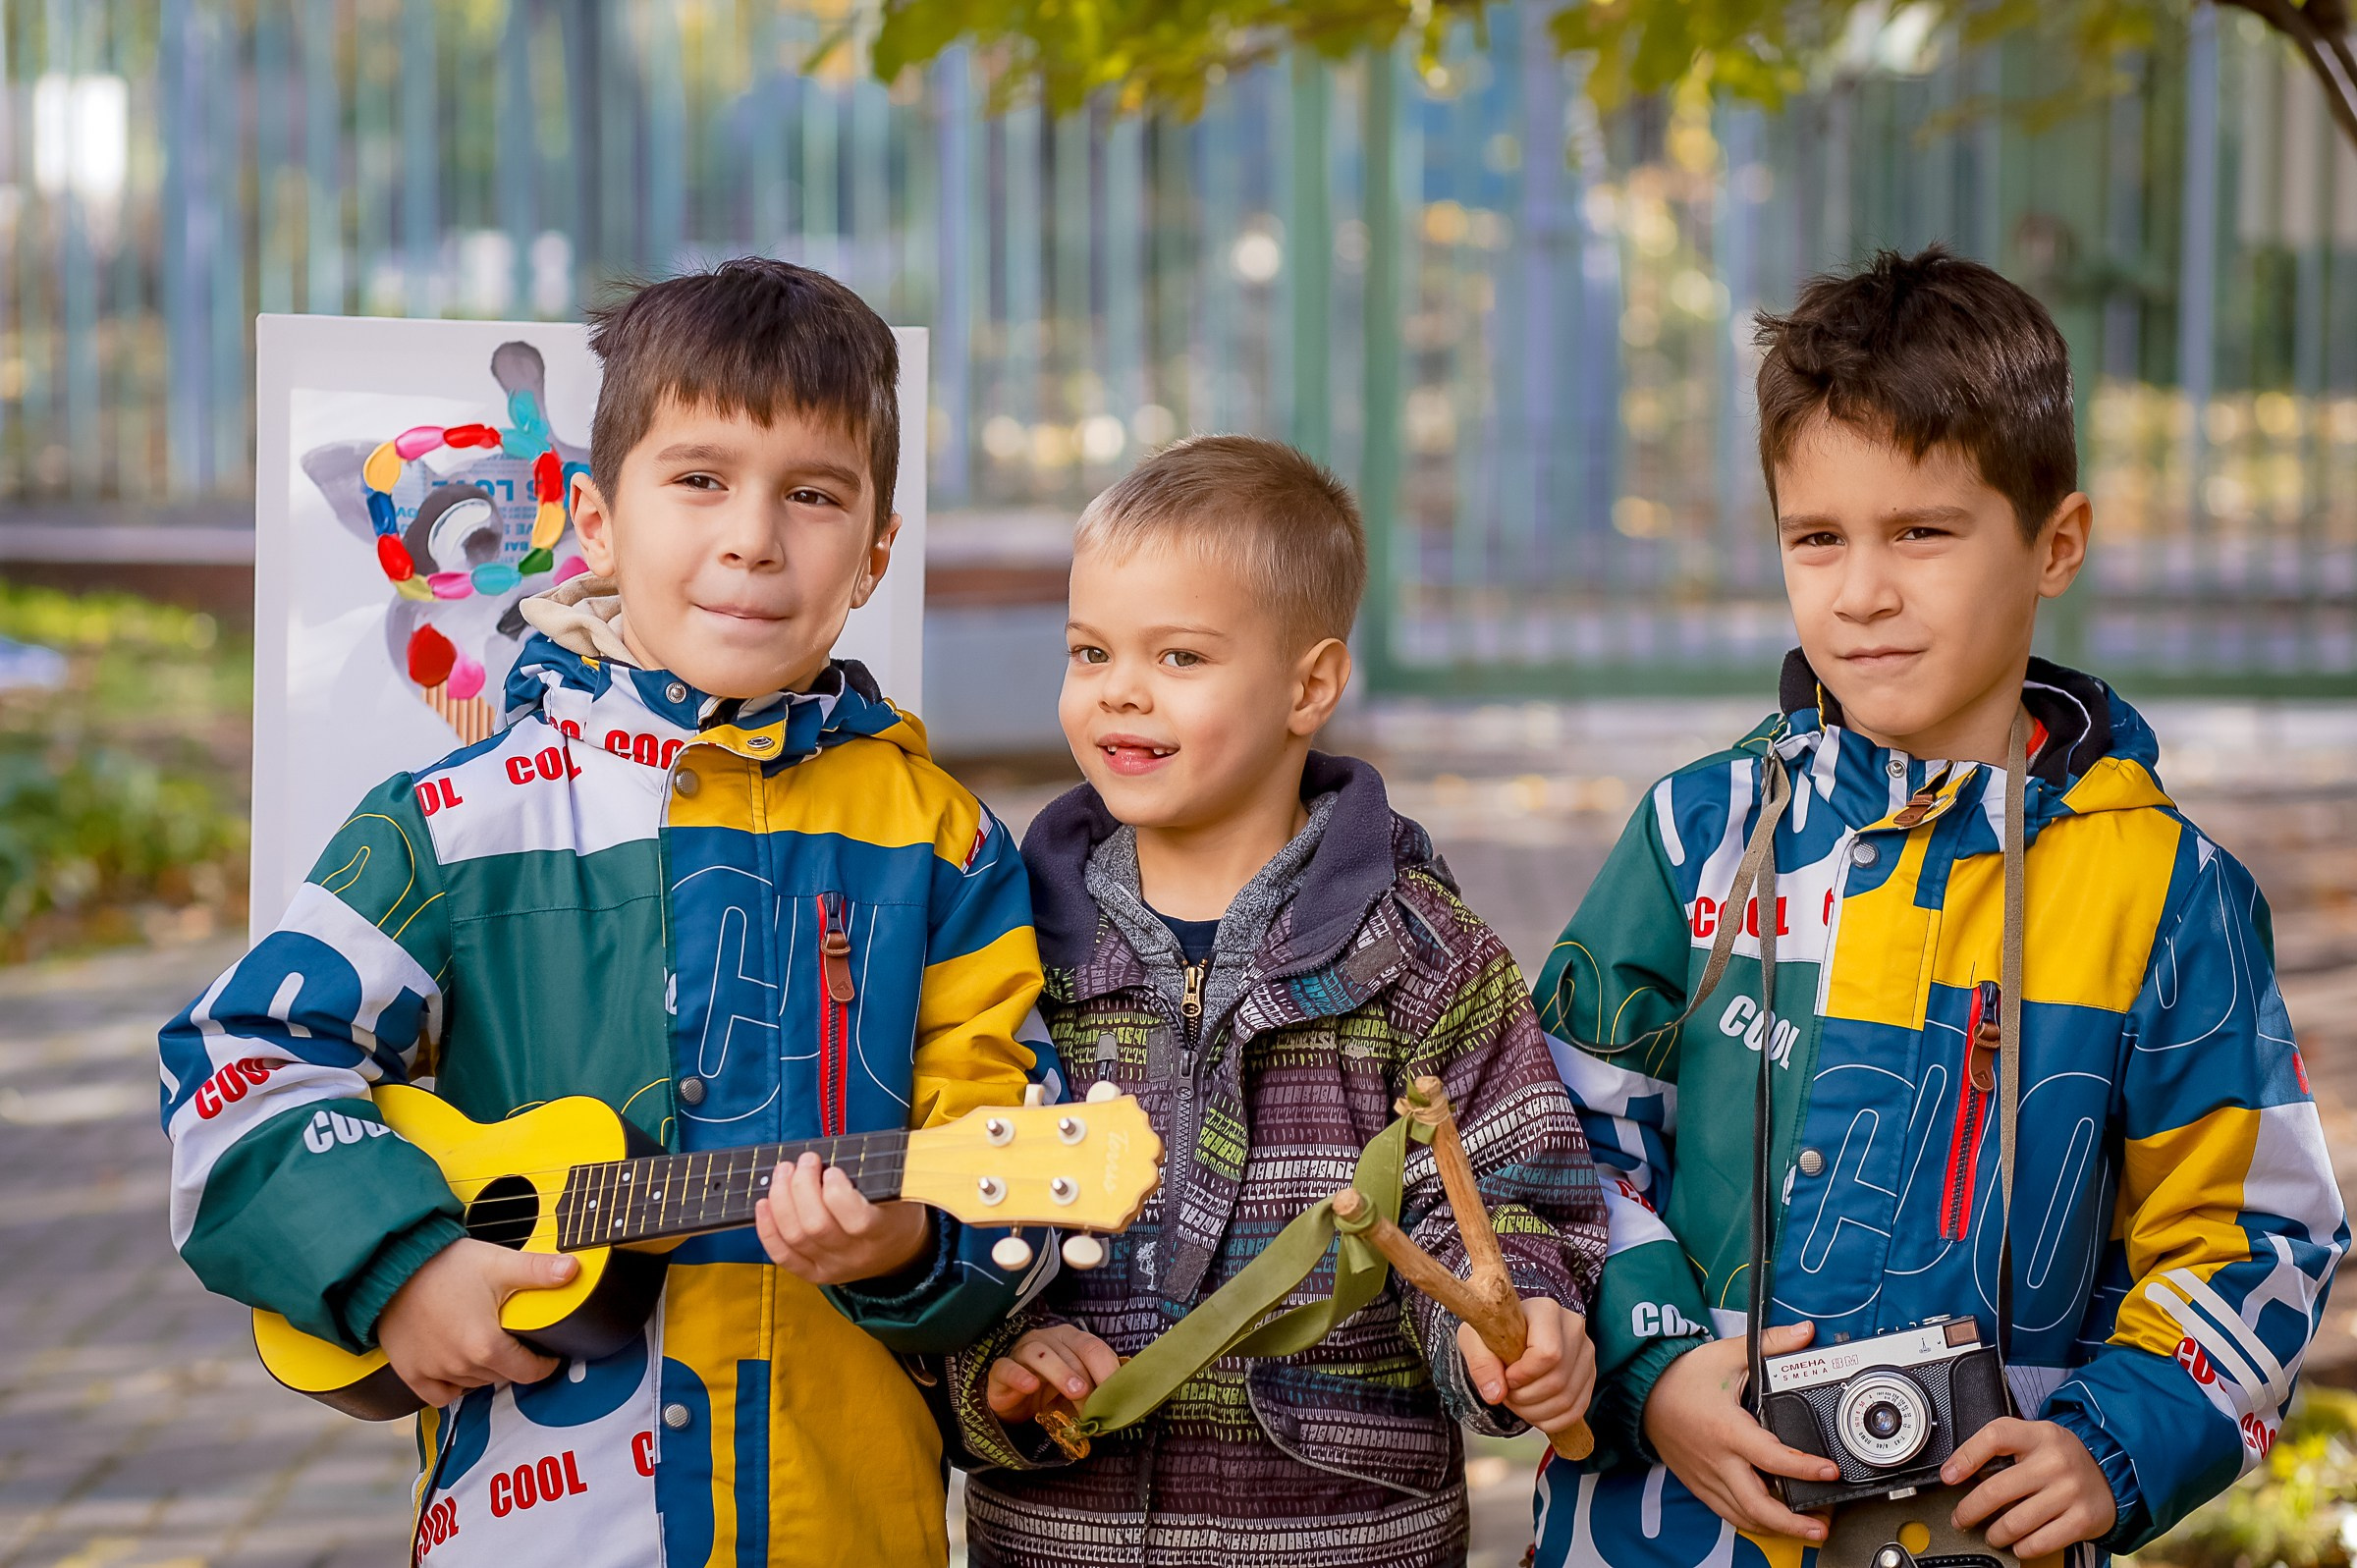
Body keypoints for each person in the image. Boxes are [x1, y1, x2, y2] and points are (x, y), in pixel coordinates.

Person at [158, 259, 1045, 1567]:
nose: (754, 537)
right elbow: (237, 1065)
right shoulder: (456, 821)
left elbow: (1014, 1169)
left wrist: (912, 1243)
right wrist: (400, 1264)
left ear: (875, 553)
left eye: (813, 493)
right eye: (700, 479)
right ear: (596, 521)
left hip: (845, 1526)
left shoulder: (946, 846)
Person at [1530, 247, 2348, 1568]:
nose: (1862, 591)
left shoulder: (2164, 896)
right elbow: (1556, 1138)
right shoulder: (1697, 837)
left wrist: (2114, 1444)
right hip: (1658, 1534)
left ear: (2055, 544)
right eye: (1817, 538)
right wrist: (1655, 1370)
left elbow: (2257, 1234)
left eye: (1922, 532)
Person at [941, 435, 1611, 1567]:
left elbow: (1505, 1202)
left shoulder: (1424, 955)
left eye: (1179, 655)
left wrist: (1513, 1327)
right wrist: (994, 1362)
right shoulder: (1007, 948)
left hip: (1347, 1541)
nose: (1120, 689)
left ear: (1310, 686)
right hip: (1060, 1538)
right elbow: (946, 1213)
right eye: (1090, 650)